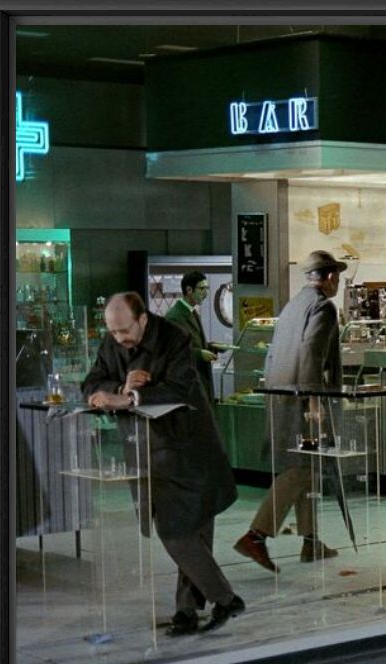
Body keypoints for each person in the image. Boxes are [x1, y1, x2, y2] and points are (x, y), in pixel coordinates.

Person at [82, 292, 243, 635]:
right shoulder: (113, 345)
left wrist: (129, 398)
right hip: (146, 450)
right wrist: (118, 387)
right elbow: (92, 382)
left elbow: (180, 385)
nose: (120, 339)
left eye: (125, 330)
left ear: (142, 319)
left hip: (187, 448)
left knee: (179, 529)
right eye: (113, 332)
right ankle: (188, 610)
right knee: (186, 531)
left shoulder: (174, 337)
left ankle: (223, 599)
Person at [234, 250, 346, 573]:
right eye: (336, 275)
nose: (337, 280)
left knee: (307, 467)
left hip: (281, 394)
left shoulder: (293, 305)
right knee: (298, 469)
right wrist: (314, 402)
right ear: (328, 277)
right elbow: (311, 353)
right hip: (301, 398)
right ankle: (256, 535)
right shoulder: (323, 307)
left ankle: (311, 542)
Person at [163, 271, 226, 400]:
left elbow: (191, 343)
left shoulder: (191, 312)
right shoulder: (175, 317)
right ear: (189, 290)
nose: (206, 293)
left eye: (207, 289)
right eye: (202, 289)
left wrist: (212, 347)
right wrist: (200, 354)